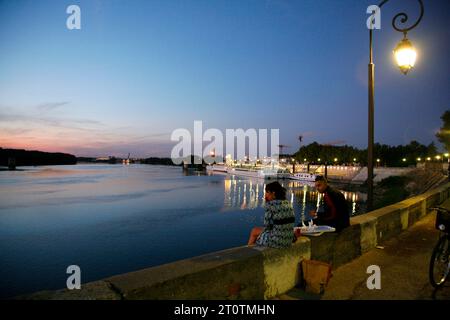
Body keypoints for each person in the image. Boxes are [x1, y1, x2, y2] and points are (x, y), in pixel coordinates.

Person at [247, 181, 295, 248]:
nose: (265, 195)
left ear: (273, 193)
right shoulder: (288, 203)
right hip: (289, 239)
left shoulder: (271, 205)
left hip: (277, 241)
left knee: (254, 231)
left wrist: (267, 202)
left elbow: (267, 226)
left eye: (267, 192)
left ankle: (248, 252)